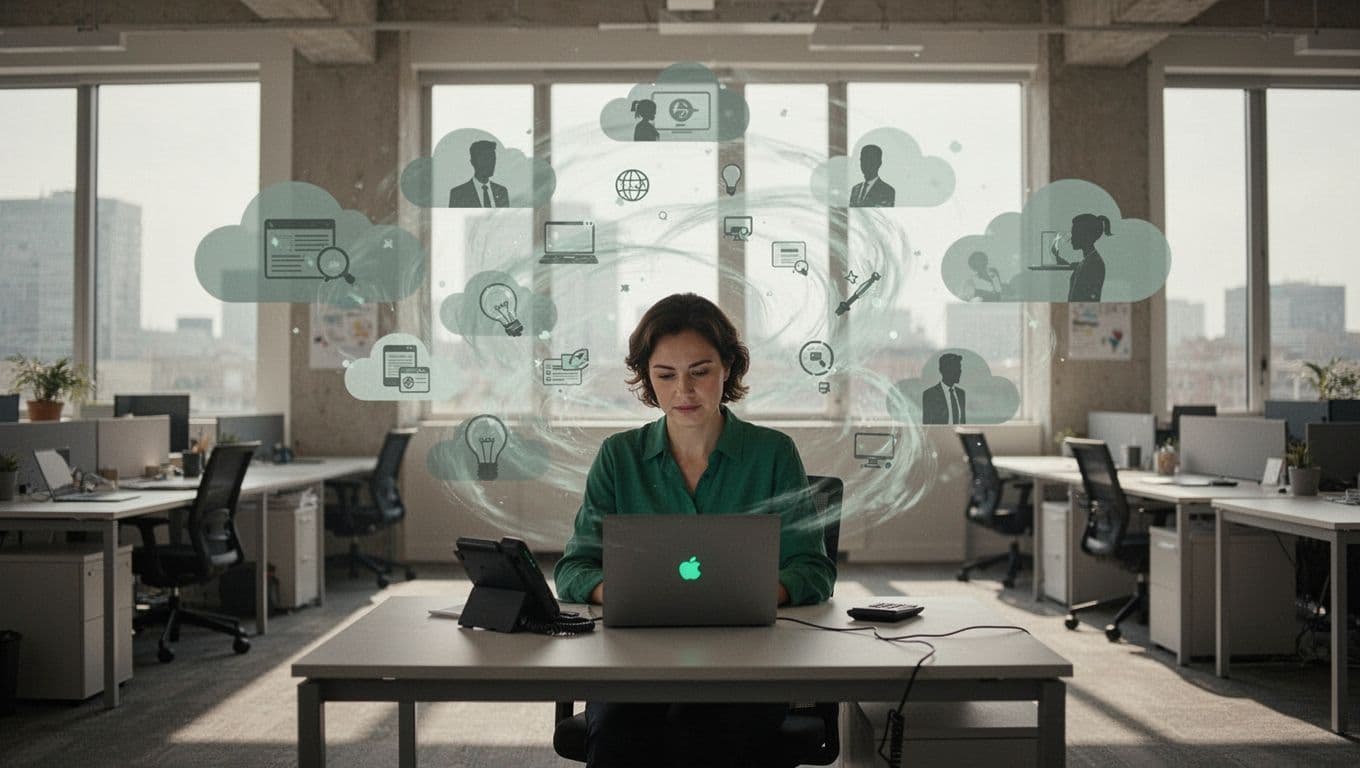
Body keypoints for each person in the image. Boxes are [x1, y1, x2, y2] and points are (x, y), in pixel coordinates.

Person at [554, 293, 836, 768]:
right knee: (621, 737)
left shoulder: (773, 454)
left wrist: (752, 594)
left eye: (700, 371)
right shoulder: (618, 456)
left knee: (706, 736)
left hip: (747, 662)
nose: (683, 389)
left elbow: (813, 570)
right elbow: (573, 569)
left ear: (728, 368)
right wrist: (622, 592)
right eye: (665, 375)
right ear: (647, 377)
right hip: (633, 662)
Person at [1053, 213, 1110, 302]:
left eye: (1075, 234)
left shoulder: (1092, 264)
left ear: (1085, 236)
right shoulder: (1089, 260)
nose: (1071, 239)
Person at [448, 140, 509, 208]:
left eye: (493, 158)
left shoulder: (502, 191)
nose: (491, 163)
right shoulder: (458, 194)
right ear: (473, 162)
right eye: (485, 159)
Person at [921, 353, 966, 425]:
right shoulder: (930, 395)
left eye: (959, 368)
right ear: (944, 370)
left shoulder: (961, 394)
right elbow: (927, 427)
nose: (959, 371)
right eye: (956, 368)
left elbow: (963, 422)